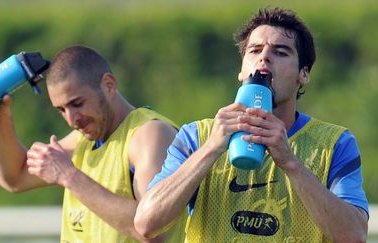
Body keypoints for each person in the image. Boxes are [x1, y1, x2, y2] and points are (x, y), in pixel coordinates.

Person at [134, 7, 369, 242]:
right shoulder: (196, 136)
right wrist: (210, 149)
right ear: (241, 71)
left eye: (281, 52)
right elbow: (146, 223)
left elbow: (354, 236)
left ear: (303, 74)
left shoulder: (336, 143)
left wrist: (291, 163)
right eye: (255, 50)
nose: (264, 57)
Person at [0, 45, 186, 242]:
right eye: (61, 110)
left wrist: (69, 176)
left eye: (77, 103)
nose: (72, 119)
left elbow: (153, 230)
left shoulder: (149, 134)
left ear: (109, 85)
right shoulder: (83, 139)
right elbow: (14, 178)